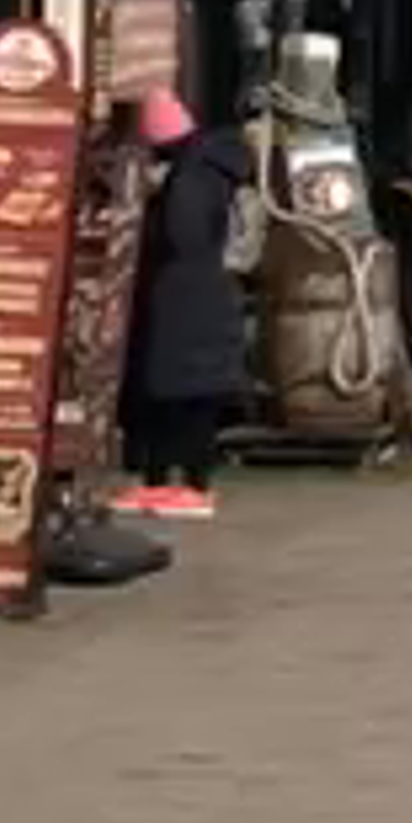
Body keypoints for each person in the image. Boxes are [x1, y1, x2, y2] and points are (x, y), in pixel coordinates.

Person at [114, 87, 252, 514]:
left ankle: (179, 483)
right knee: (188, 394)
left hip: (183, 297)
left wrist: (149, 219)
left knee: (174, 392)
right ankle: (180, 482)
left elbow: (182, 234)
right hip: (206, 294)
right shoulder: (213, 168)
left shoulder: (189, 177)